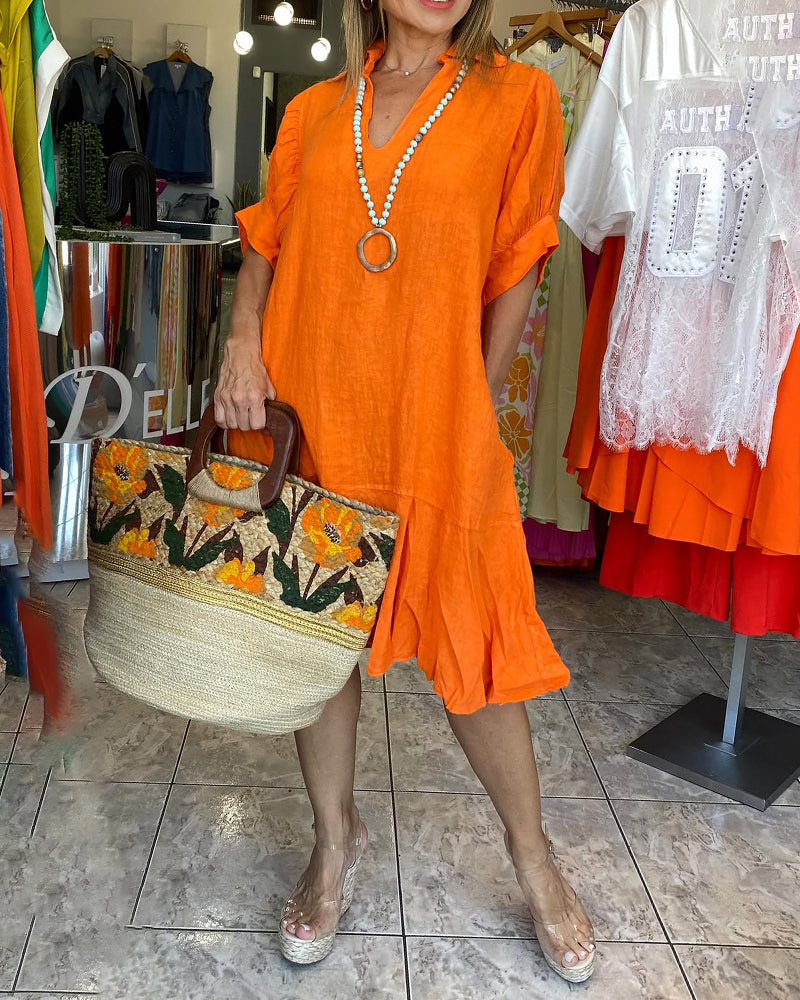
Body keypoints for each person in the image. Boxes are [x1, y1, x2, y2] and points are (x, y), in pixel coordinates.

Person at [215, 0, 596, 983]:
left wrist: (476, 392)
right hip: (314, 403)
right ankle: (332, 843)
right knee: (319, 635)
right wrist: (241, 340)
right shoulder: (313, 110)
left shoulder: (517, 97)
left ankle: (533, 858)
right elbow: (264, 242)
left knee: (472, 630)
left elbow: (520, 257)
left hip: (436, 411)